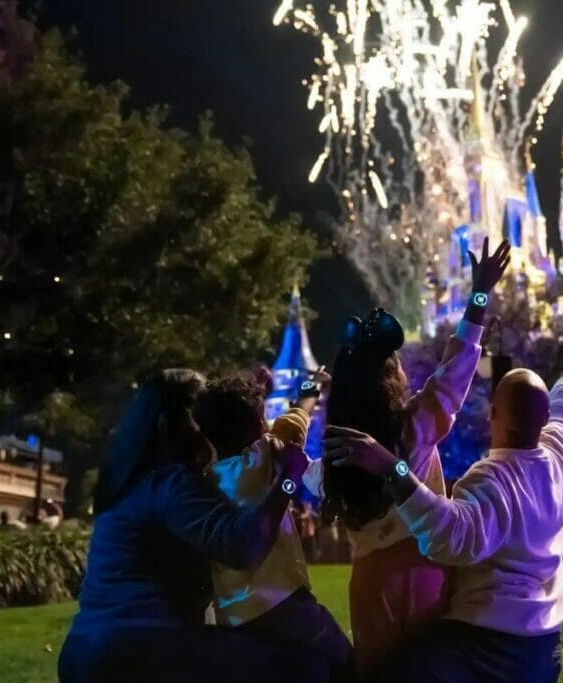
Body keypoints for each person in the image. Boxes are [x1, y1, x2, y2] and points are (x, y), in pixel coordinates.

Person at [324, 325, 563, 683]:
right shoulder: (559, 453)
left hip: (483, 638)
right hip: (544, 647)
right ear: (544, 421)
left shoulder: (491, 480)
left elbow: (450, 537)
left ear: (492, 415)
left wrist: (391, 467)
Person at [310, 238, 510, 677]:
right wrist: (478, 295)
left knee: (377, 672)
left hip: (369, 581)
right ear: (388, 378)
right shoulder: (414, 429)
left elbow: (303, 476)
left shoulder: (335, 453)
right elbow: (456, 370)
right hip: (425, 572)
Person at [59, 369, 313, 683]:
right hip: (137, 650)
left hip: (88, 648)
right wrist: (289, 480)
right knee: (306, 665)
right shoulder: (170, 484)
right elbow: (242, 547)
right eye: (200, 411)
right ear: (176, 421)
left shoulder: (129, 478)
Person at [196, 371, 352, 680]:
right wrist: (313, 387)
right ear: (258, 424)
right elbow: (296, 419)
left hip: (234, 615)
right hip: (284, 603)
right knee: (344, 660)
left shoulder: (204, 480)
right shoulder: (264, 455)